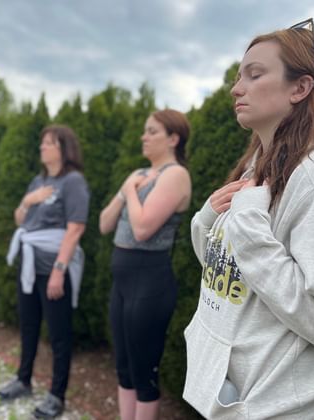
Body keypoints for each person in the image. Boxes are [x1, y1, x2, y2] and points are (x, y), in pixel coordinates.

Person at [183, 19, 314, 419]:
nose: (236, 88)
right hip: (230, 397)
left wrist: (247, 227)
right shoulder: (256, 167)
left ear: (300, 88)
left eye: (255, 74)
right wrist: (206, 221)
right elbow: (231, 273)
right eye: (237, 76)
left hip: (283, 408)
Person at [99, 109, 192, 420]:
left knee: (143, 372)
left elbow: (142, 230)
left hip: (149, 282)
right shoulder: (139, 175)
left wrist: (128, 192)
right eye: (145, 130)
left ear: (173, 138)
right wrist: (129, 187)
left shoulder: (175, 175)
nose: (144, 136)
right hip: (123, 283)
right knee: (124, 368)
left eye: (152, 131)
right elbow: (104, 223)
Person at [0, 125, 90, 419]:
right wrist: (28, 200)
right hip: (29, 263)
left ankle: (57, 395)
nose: (42, 148)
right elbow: (19, 219)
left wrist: (58, 271)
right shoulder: (38, 181)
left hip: (53, 266)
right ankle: (23, 380)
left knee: (59, 334)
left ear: (64, 148)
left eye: (49, 143)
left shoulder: (73, 182)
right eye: (42, 143)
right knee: (28, 325)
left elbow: (76, 228)